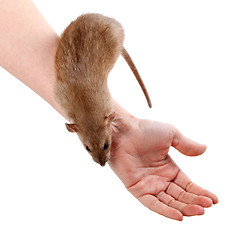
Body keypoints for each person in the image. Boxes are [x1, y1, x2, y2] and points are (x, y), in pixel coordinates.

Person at [0, 0, 218, 221]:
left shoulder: (98, 111)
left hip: (104, 32)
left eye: (103, 146)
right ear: (72, 128)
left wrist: (124, 124)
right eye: (92, 148)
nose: (101, 158)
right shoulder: (90, 115)